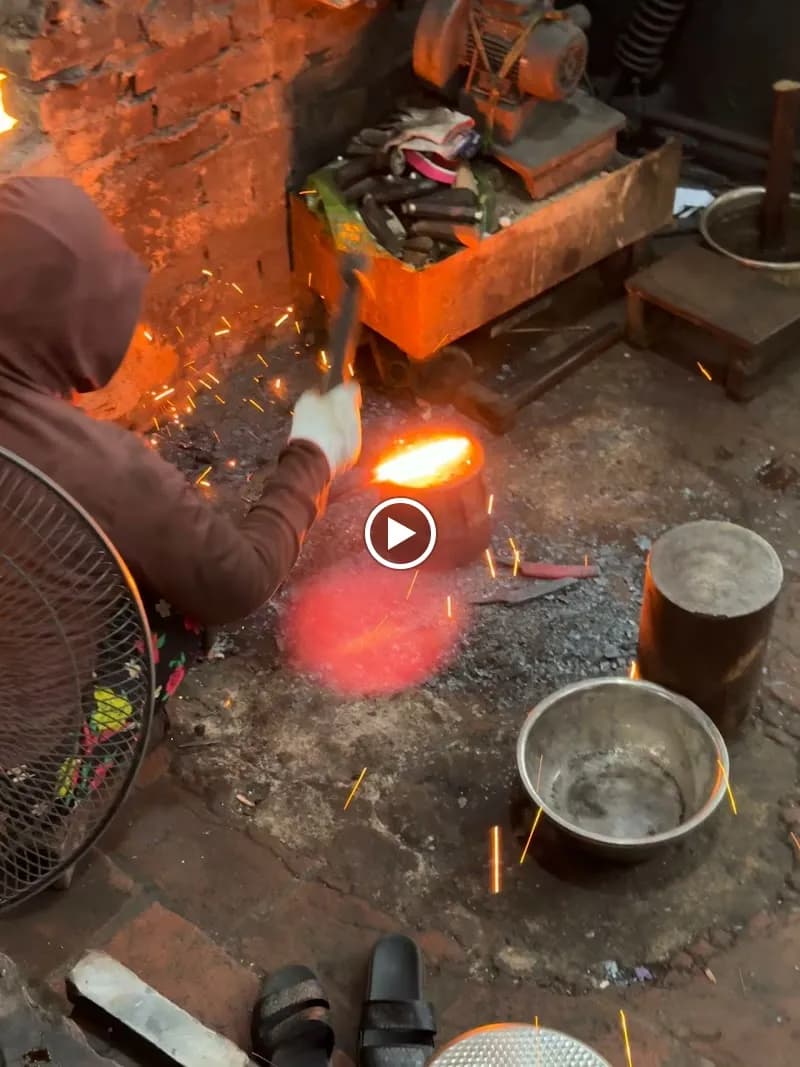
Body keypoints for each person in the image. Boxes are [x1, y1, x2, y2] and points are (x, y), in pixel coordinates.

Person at [0, 176, 362, 732]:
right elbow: (239, 582)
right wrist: (316, 452)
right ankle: (76, 779)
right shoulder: (100, 470)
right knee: (177, 603)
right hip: (21, 762)